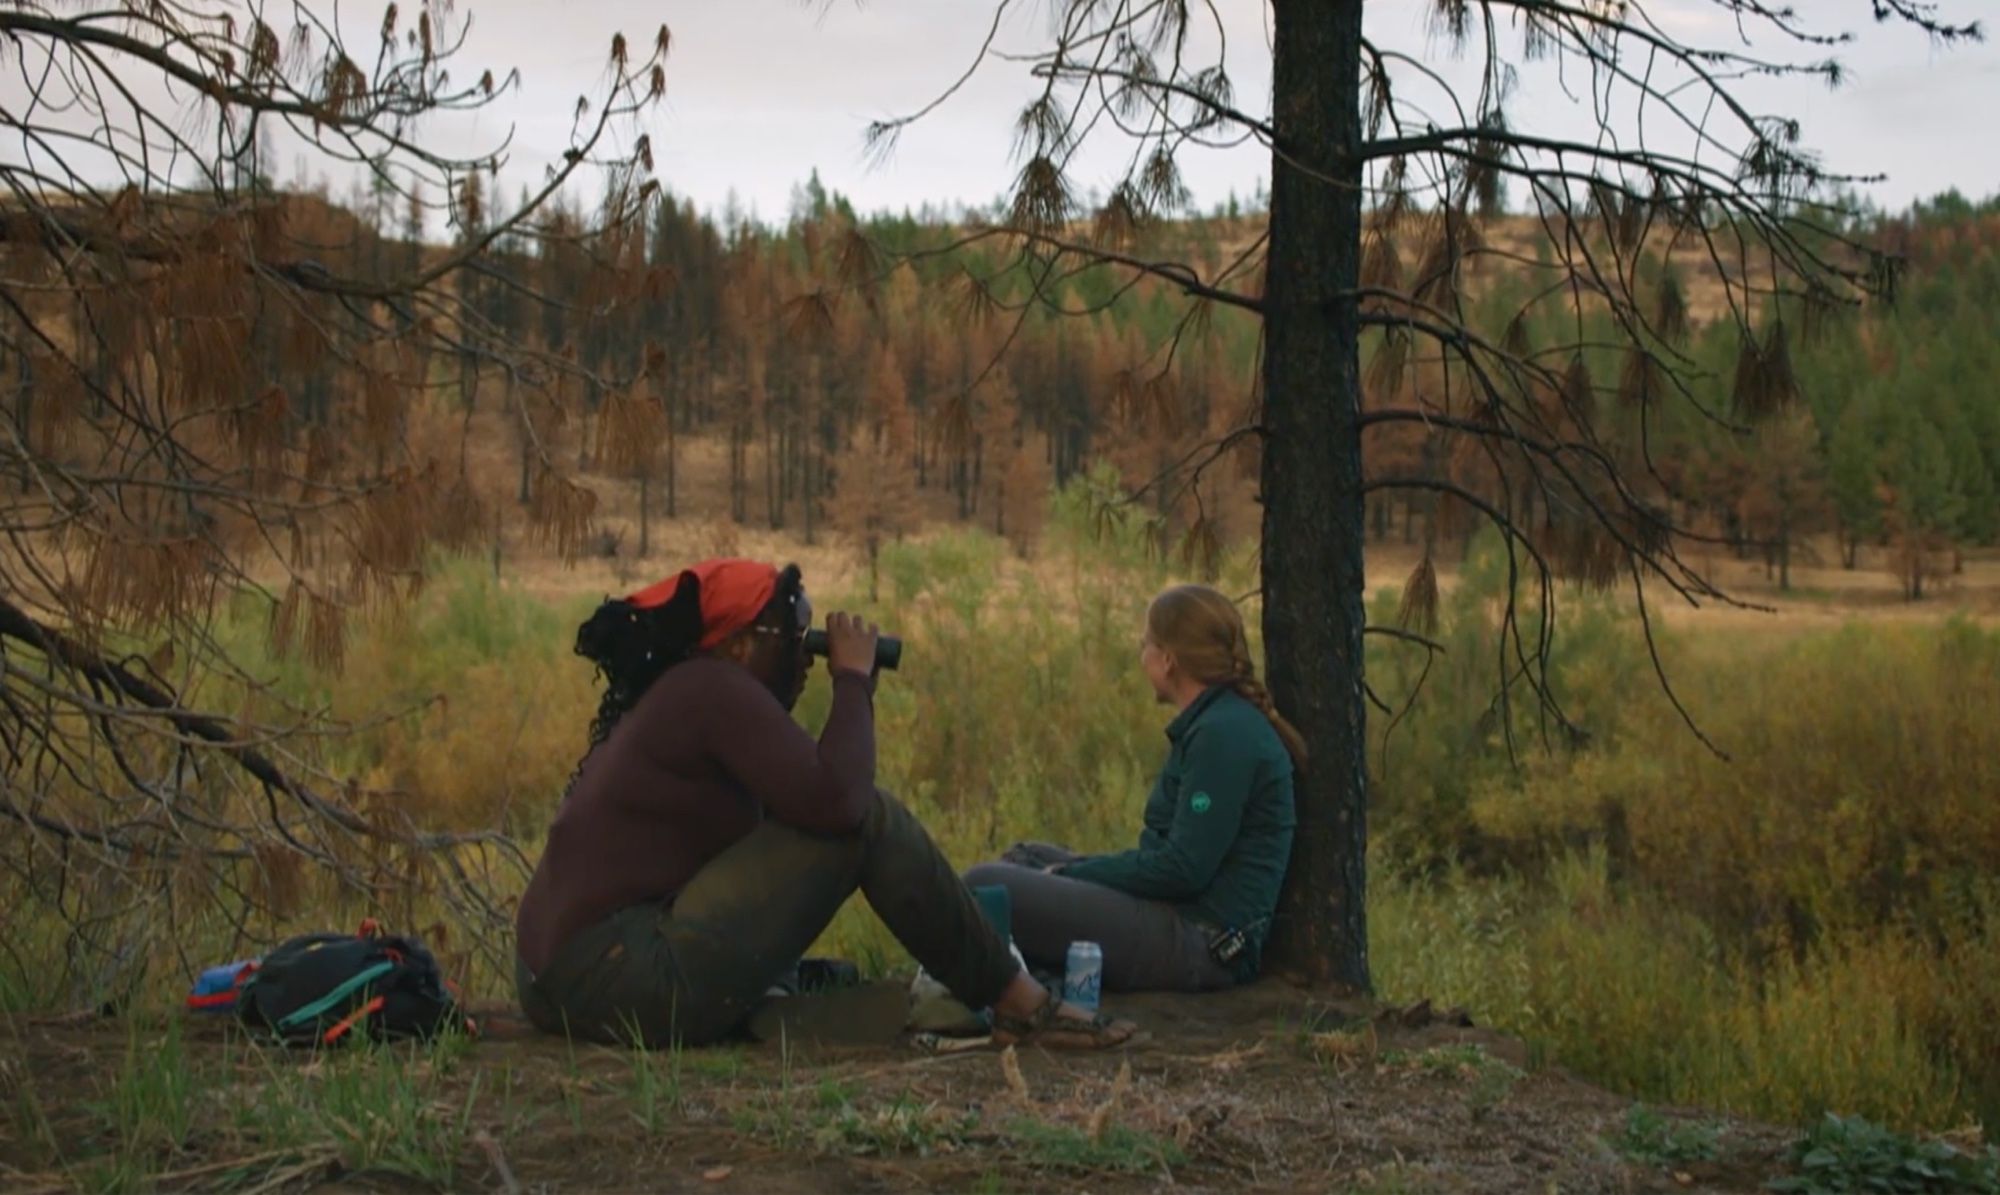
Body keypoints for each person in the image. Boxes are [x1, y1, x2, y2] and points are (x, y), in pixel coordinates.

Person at [512, 557, 1134, 1050]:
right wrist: (854, 679)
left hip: (562, 987)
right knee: (871, 820)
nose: (804, 656)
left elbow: (802, 808)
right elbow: (842, 803)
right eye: (790, 635)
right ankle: (1020, 1003)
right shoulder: (709, 689)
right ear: (733, 645)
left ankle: (791, 1002)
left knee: (839, 846)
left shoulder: (687, 698)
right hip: (613, 981)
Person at [963, 583, 1303, 994]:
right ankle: (1019, 979)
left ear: (1169, 660)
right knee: (1027, 856)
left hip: (1200, 942)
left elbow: (1183, 869)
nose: (1142, 657)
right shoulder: (1216, 723)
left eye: (1146, 645)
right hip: (1175, 913)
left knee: (985, 883)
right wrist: (1072, 873)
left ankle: (1002, 992)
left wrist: (1073, 873)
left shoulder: (1225, 735)